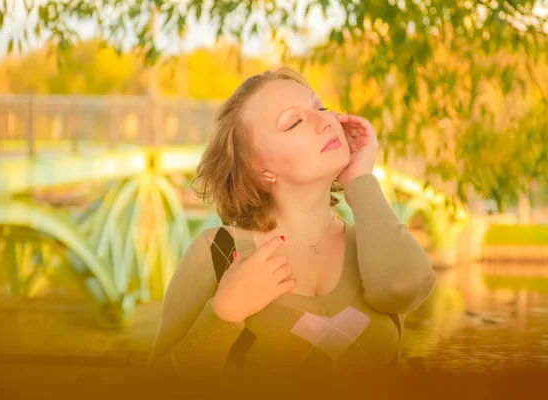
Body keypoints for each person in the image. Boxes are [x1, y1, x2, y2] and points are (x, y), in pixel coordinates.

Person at [147, 67, 436, 376]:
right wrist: (223, 315)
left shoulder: (372, 243)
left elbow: (404, 289)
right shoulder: (216, 254)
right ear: (260, 168)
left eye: (321, 108)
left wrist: (360, 179)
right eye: (295, 122)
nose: (325, 121)